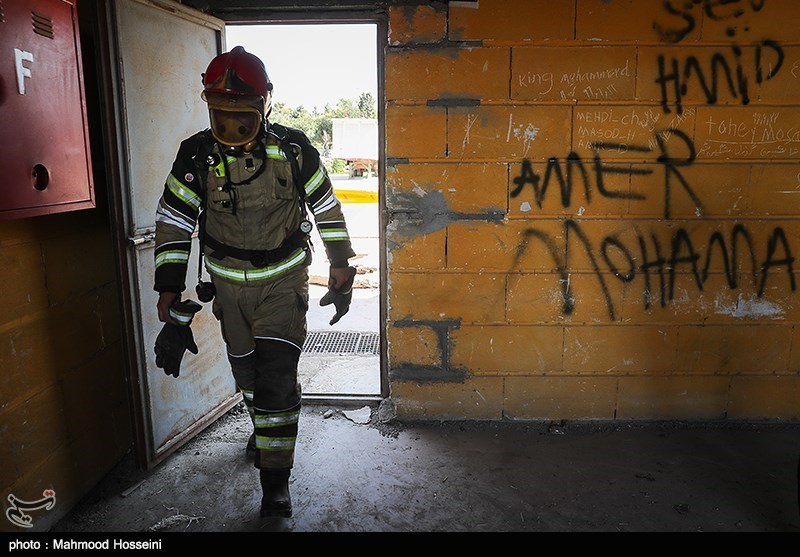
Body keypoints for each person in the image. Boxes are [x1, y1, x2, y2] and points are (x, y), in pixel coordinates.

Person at [152, 46, 356, 518]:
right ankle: (264, 430)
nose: (231, 129)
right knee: (248, 376)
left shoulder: (294, 149)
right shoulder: (196, 154)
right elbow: (174, 221)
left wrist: (341, 265)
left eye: (240, 117)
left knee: (278, 380)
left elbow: (326, 208)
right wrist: (169, 287)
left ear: (264, 104)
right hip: (228, 290)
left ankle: (275, 481)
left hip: (282, 285)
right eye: (221, 117)